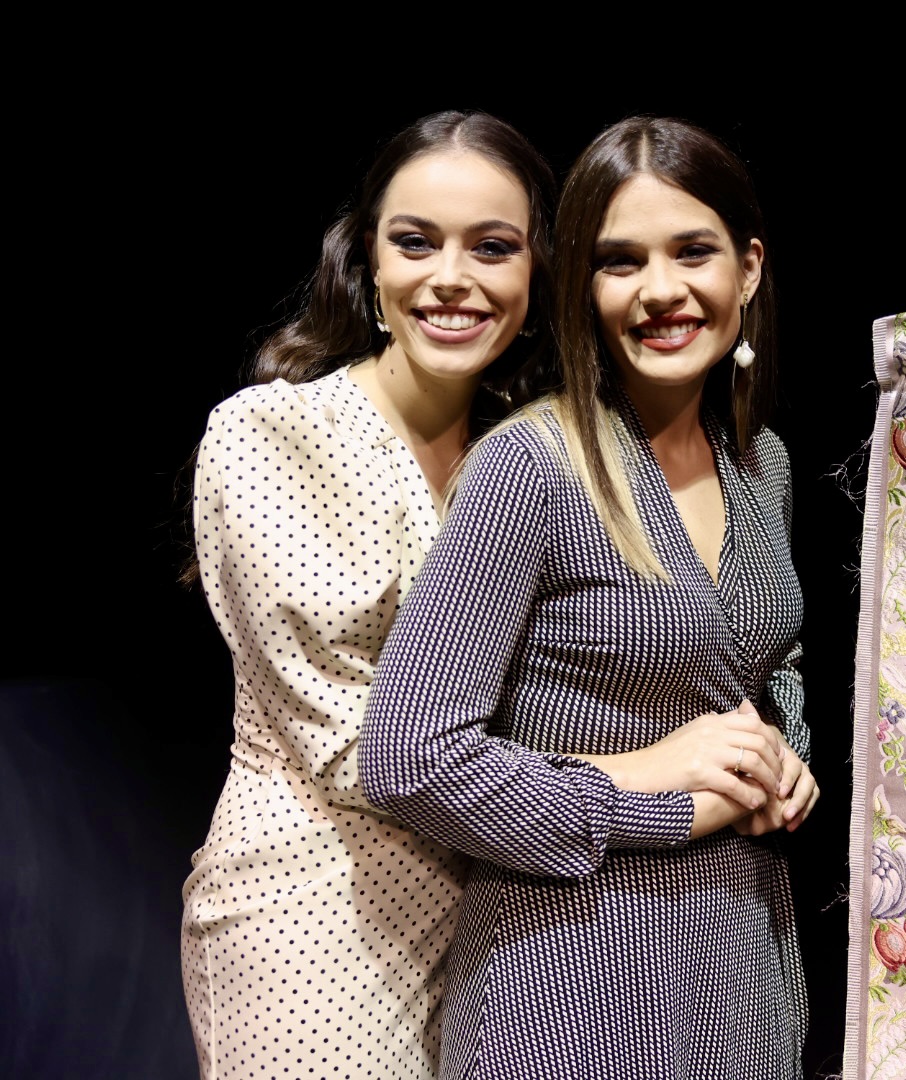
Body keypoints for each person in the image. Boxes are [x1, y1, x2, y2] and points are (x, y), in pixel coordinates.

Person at [360, 115, 818, 1079]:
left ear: (748, 269)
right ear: (582, 285)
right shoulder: (532, 465)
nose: (661, 290)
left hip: (743, 979)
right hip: (568, 993)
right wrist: (653, 791)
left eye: (692, 251)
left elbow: (772, 660)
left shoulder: (762, 463)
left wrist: (786, 756)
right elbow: (410, 760)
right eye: (621, 261)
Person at [179, 109, 557, 1079]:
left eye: (493, 247)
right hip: (312, 917)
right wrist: (640, 782)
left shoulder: (529, 453)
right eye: (416, 241)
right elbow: (367, 750)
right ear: (369, 263)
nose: (452, 277)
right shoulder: (273, 435)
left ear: (536, 272)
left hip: (500, 926)